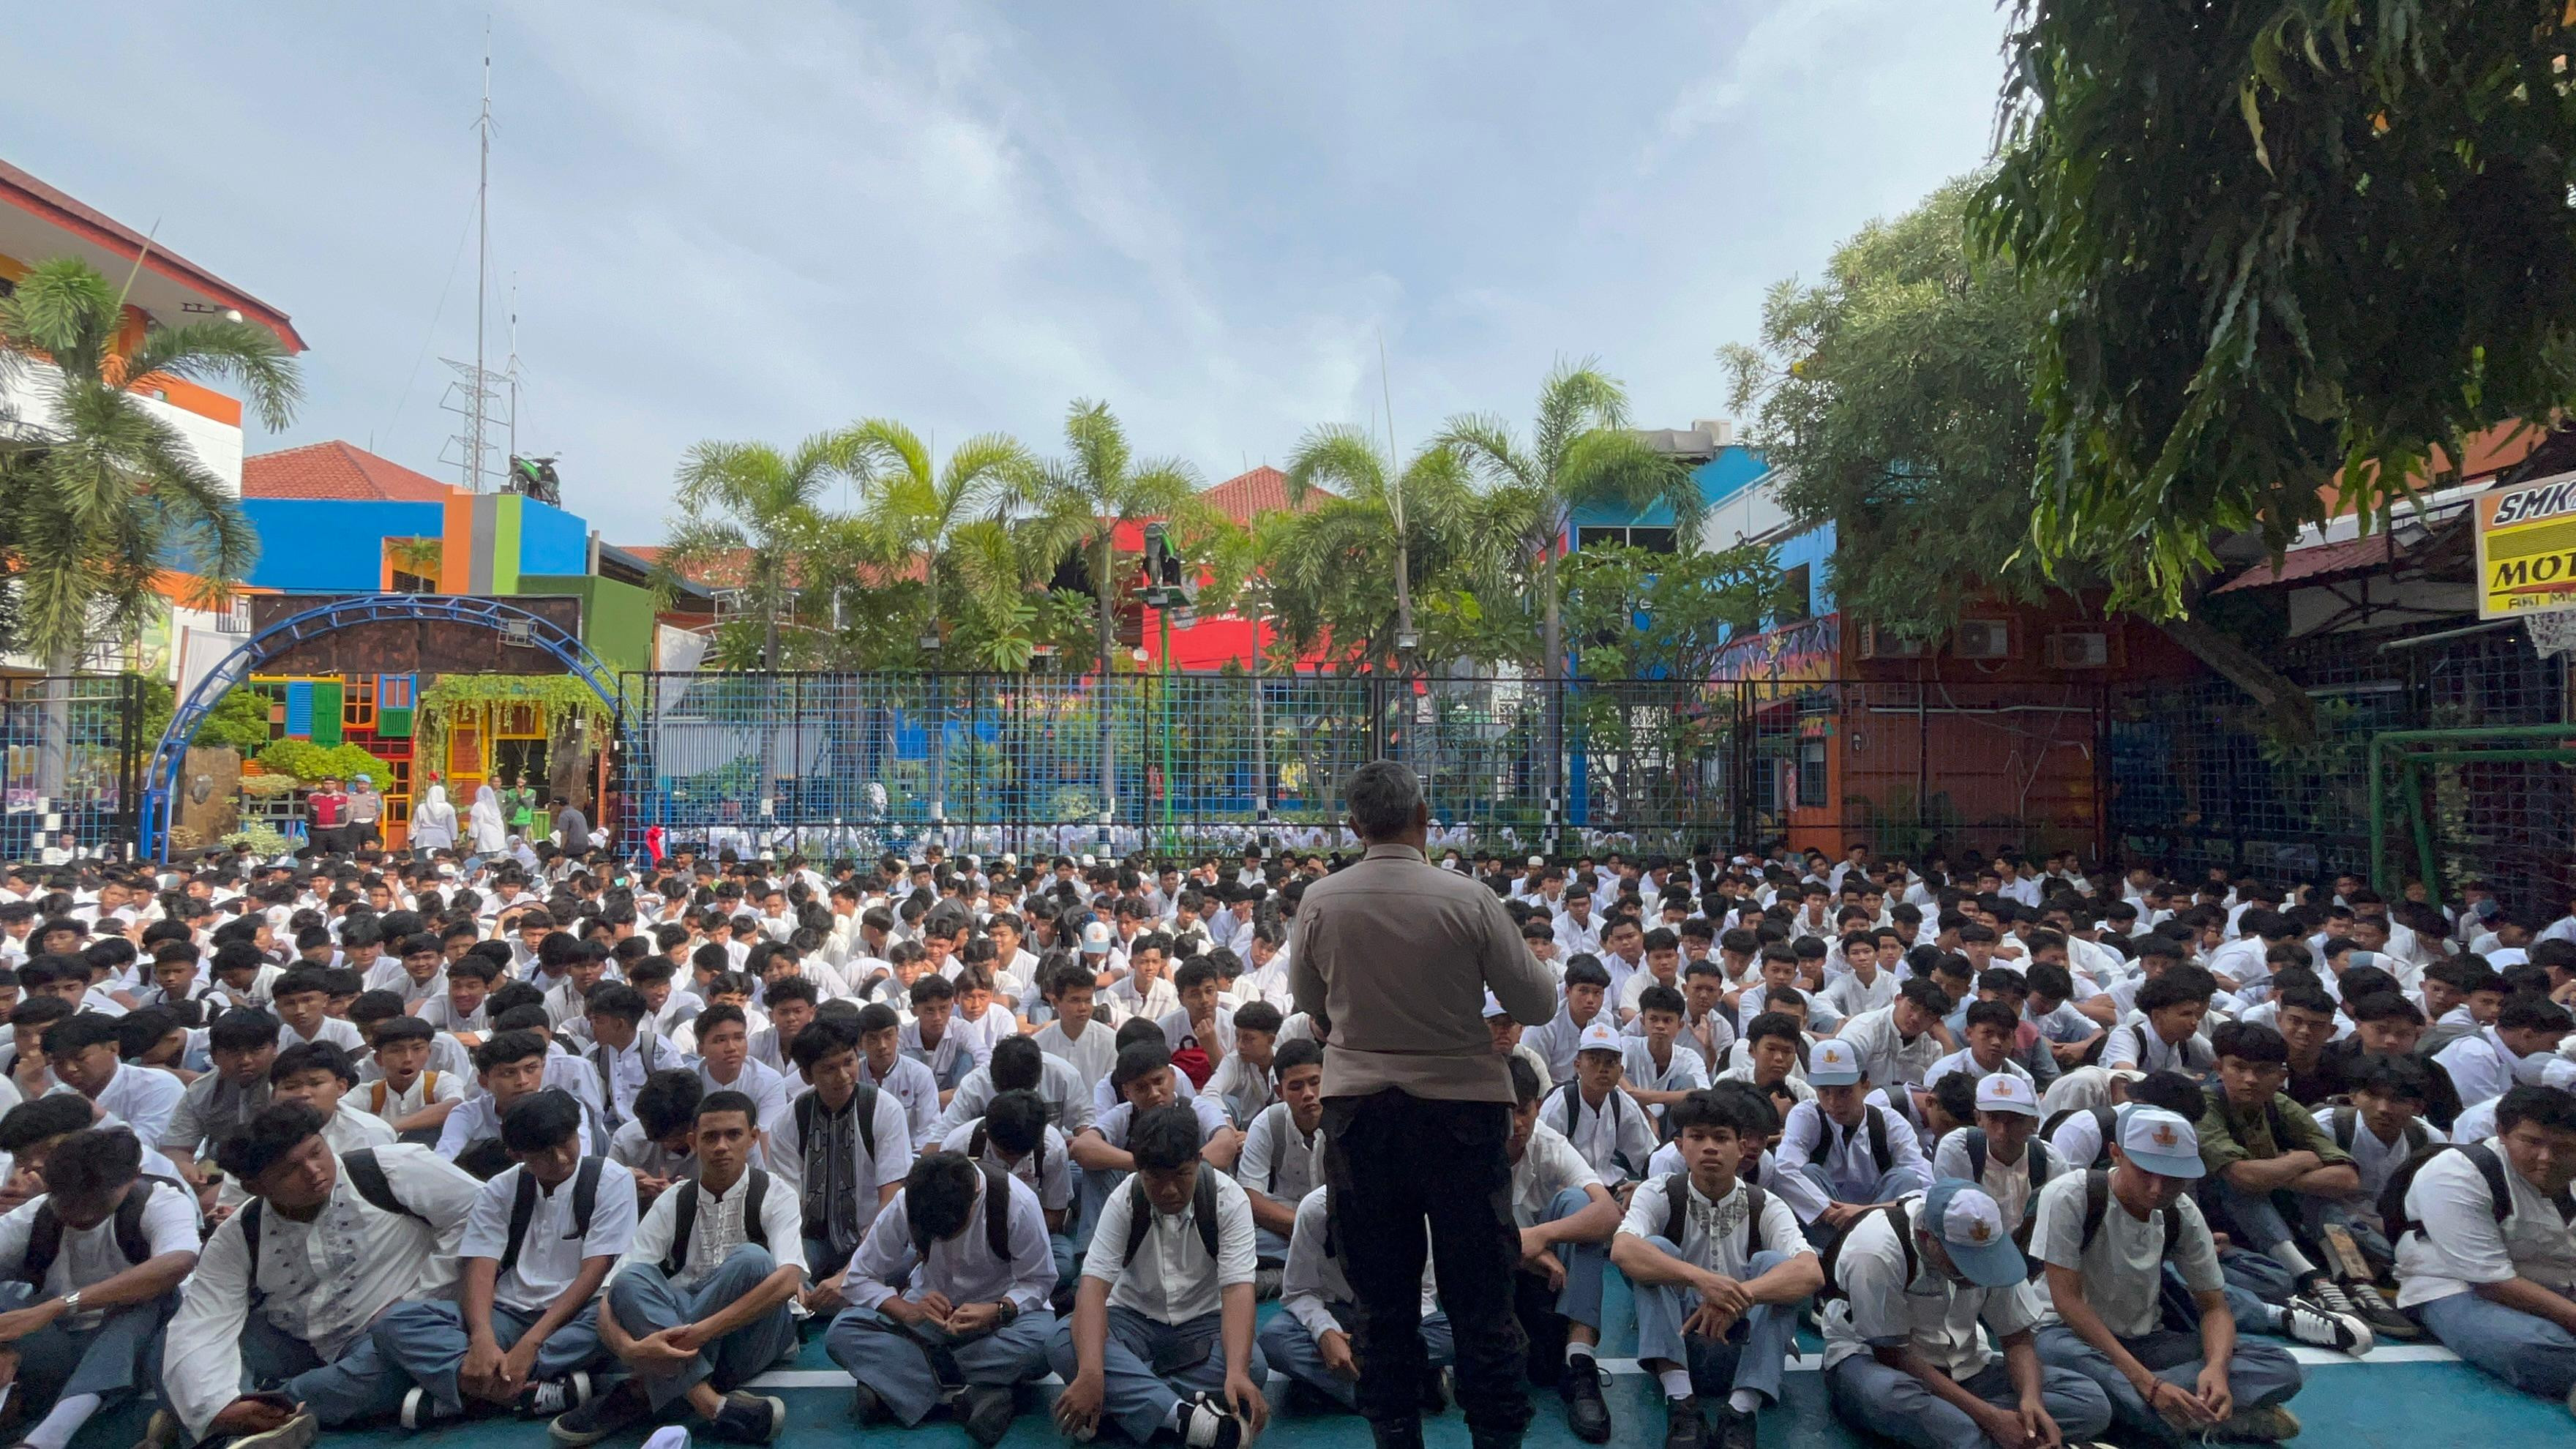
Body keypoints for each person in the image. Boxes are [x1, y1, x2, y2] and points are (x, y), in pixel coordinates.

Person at [1289, 761, 1557, 1449]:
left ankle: (1396, 1434)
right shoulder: (1467, 900)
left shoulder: (1320, 901)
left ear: (1354, 826)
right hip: (1461, 1114)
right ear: (1424, 816)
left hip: (1361, 1114)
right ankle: (1497, 1435)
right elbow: (1535, 1001)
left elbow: (1314, 1009)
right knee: (1482, 1292)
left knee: (1380, 1299)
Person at [157, 1102, 484, 1448]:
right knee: (180, 1347)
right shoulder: (239, 1234)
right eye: (288, 1172)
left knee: (375, 1373)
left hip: (393, 1336)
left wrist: (420, 1299)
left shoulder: (389, 1170)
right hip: (296, 1340)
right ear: (255, 1187)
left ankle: (253, 1416)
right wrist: (213, 1400)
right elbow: (205, 1322)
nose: (314, 1172)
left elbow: (481, 1213)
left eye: (317, 1151)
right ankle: (233, 1418)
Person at [2031, 1105, 2307, 1445]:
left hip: (2146, 1340)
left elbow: (2214, 1307)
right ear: (2116, 1154)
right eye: (2145, 1171)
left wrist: (2216, 1371)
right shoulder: (2071, 1196)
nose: (2157, 1188)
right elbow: (2067, 1302)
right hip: (2071, 1335)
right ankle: (2189, 1415)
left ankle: (2159, 1415)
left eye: (2173, 1177)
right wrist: (2148, 1384)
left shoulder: (2182, 1214)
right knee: (2057, 1354)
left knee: (2279, 1365)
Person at [547, 1090, 798, 1447]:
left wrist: (697, 1333)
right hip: (682, 1335)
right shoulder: (674, 1199)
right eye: (711, 1137)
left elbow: (788, 1281)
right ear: (693, 1142)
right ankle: (711, 1404)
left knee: (753, 1261)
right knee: (632, 1280)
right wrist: (629, 1351)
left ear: (753, 1137)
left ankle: (639, 1391)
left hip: (752, 1335)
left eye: (734, 1135)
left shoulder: (776, 1193)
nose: (722, 1146)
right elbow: (611, 1294)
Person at [371, 1090, 637, 1425]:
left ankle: (465, 1391)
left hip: (577, 1313)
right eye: (542, 1153)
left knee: (619, 1314)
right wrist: (482, 1338)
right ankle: (526, 1389)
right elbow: (481, 1267)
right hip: (510, 1313)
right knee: (396, 1322)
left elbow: (594, 1272)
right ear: (515, 1154)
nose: (561, 1159)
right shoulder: (500, 1189)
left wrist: (532, 1343)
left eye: (566, 1141)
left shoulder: (611, 1180)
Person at [1819, 1174, 2113, 1449]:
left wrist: (2031, 1400)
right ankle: (1978, 1428)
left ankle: (1976, 1427)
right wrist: (1990, 1417)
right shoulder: (1876, 1251)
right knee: (1887, 1396)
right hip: (1882, 1364)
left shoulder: (1988, 1247)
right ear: (1926, 1238)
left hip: (1967, 1365)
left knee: (2091, 1402)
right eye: (1961, 1262)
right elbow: (1892, 1354)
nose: (1975, 1275)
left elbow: (2017, 1336)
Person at [1046, 1104, 1267, 1448]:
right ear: (1139, 1170)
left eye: (1181, 1175)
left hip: (1203, 1323)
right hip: (1131, 1319)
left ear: (1198, 1161)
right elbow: (1092, 1288)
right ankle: (1186, 1418)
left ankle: (1124, 1403)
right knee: (1061, 1340)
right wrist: (1091, 1370)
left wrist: (1236, 1372)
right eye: (1154, 1179)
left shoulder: (1229, 1199)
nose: (1168, 1191)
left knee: (1251, 1369)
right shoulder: (1125, 1198)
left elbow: (1238, 1291)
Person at [1609, 1090, 1818, 1449]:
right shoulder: (1659, 1192)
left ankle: (1742, 1411)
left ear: (1742, 1149)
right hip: (1678, 1343)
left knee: (1778, 1266)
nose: (1710, 1147)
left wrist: (1740, 1295)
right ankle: (1681, 1403)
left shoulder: (1765, 1203)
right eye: (1698, 1137)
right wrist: (1703, 1281)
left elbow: (1811, 1272)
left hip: (1740, 1345)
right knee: (1652, 1251)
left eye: (1721, 1138)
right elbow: (1622, 1249)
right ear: (1679, 1146)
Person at [824, 1150, 1058, 1446]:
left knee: (1046, 1341)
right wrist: (907, 1311)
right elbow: (858, 1277)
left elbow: (1040, 1281)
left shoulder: (1017, 1203)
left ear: (975, 1196)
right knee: (842, 1332)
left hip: (997, 1321)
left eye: (953, 1230)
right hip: (929, 1322)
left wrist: (997, 1310)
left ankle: (907, 1385)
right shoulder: (908, 1202)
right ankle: (973, 1393)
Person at [0, 1128, 199, 1449]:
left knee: (149, 1298)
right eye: (66, 1199)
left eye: (96, 1198)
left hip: (141, 1353)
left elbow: (177, 1262)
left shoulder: (161, 1202)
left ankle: (48, 1438)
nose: (82, 1211)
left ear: (134, 1178)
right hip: (61, 1350)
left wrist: (58, 1306)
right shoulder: (36, 1215)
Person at [2390, 1083, 2576, 1411]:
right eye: (2532, 1142)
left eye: (2562, 1147)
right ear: (2502, 1132)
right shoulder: (2458, 1172)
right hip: (2457, 1288)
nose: (2546, 1158)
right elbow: (2492, 1283)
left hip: (2557, 1282)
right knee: (2532, 1348)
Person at [1257, 1182, 1450, 1417]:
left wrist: (1377, 1339)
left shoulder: (1414, 1209)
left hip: (1395, 1321)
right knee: (1275, 1339)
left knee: (1458, 1333)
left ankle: (1347, 1388)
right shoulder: (1314, 1210)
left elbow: (1423, 1294)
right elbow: (1299, 1292)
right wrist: (1325, 1333)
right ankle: (1407, 1385)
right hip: (1337, 1317)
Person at [771, 1015, 915, 1295]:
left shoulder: (884, 1109)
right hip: (810, 1240)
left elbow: (890, 1199)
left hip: (872, 1237)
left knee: (906, 1264)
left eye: (849, 1062)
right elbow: (784, 1206)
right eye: (829, 1069)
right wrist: (792, 1275)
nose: (844, 1076)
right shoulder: (789, 1121)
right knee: (773, 1271)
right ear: (807, 1075)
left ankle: (837, 1296)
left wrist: (850, 1273)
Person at [410, 785, 460, 853]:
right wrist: (454, 839)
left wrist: (411, 839)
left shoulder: (421, 807)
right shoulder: (448, 808)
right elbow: (452, 826)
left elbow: (415, 825)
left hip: (424, 839)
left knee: (422, 862)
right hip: (442, 839)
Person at [470, 785, 509, 855]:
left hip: (485, 842)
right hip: (498, 843)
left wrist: (471, 839)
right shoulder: (495, 807)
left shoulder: (478, 806)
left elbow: (475, 824)